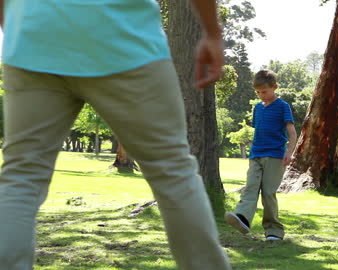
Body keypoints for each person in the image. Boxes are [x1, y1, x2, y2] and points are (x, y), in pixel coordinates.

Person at [0, 0, 231, 269]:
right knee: (173, 173)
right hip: (123, 35)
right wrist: (212, 33)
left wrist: (20, 30)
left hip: (32, 37)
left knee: (21, 178)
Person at [225, 70, 297, 241]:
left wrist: (289, 153)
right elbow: (259, 131)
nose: (261, 95)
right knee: (250, 186)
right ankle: (242, 217)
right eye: (258, 92)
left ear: (274, 87)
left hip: (275, 156)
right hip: (256, 154)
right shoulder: (257, 108)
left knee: (268, 192)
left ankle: (274, 230)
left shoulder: (283, 106)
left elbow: (292, 133)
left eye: (264, 91)